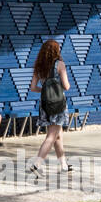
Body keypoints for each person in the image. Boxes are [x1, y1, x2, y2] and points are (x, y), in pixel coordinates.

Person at [27, 39, 72, 177]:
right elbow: (66, 86)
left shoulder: (38, 66)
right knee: (51, 136)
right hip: (58, 104)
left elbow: (33, 88)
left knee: (57, 136)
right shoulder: (60, 65)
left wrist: (46, 91)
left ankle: (64, 165)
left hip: (45, 104)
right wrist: (55, 90)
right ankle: (36, 164)